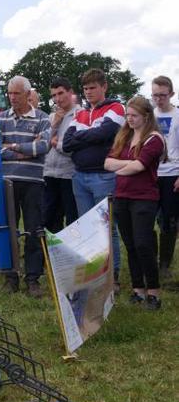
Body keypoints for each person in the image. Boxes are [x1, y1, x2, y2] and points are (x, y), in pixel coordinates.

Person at [63, 68, 124, 287]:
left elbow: (105, 133)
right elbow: (66, 144)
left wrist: (81, 136)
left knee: (107, 227)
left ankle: (113, 274)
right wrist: (89, 137)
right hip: (80, 177)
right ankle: (96, 273)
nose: (88, 92)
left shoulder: (116, 108)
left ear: (104, 86)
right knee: (89, 228)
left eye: (93, 88)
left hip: (104, 176)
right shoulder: (80, 113)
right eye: (85, 88)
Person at [104, 96, 166, 310]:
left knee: (143, 244)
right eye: (127, 115)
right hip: (122, 196)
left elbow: (139, 167)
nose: (129, 119)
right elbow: (107, 163)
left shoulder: (154, 138)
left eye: (134, 115)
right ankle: (138, 289)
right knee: (130, 245)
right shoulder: (124, 135)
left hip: (144, 198)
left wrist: (124, 166)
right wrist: (129, 164)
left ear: (146, 116)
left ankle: (154, 292)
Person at [0, 76, 51, 297]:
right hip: (8, 182)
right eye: (9, 93)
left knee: (33, 229)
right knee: (8, 230)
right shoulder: (1, 119)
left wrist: (14, 147)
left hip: (33, 182)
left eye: (17, 93)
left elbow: (44, 145)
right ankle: (11, 277)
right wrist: (26, 150)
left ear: (28, 95)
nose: (12, 98)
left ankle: (32, 279)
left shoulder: (42, 118)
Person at [42, 77, 80, 232]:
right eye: (53, 95)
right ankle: (53, 255)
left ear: (70, 92)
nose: (57, 99)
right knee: (49, 219)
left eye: (61, 93)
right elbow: (42, 145)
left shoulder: (80, 115)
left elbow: (73, 147)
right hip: (49, 173)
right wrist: (54, 126)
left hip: (69, 175)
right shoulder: (52, 116)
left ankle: (73, 254)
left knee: (72, 218)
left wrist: (56, 144)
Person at [152, 76, 179, 279]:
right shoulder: (148, 116)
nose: (159, 99)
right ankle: (150, 260)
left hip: (173, 175)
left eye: (162, 95)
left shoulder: (178, 116)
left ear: (171, 94)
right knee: (146, 219)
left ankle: (164, 265)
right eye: (155, 95)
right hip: (150, 174)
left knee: (169, 221)